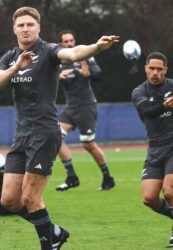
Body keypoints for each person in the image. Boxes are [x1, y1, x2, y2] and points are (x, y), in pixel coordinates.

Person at [0, 6, 119, 250]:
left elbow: (73, 54)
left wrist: (96, 47)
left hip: (44, 133)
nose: (25, 28)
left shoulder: (48, 51)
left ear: (38, 28)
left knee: (31, 198)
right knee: (9, 200)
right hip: (21, 135)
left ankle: (48, 245)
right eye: (21, 25)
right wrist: (16, 68)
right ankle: (53, 232)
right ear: (14, 29)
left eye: (30, 24)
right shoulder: (10, 57)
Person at [131, 52, 173, 248]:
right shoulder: (139, 92)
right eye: (151, 68)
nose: (155, 73)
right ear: (145, 69)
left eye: (159, 69)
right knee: (149, 198)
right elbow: (147, 112)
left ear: (165, 70)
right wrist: (164, 105)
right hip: (155, 149)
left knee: (169, 192)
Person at [55, 30, 115, 191]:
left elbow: (99, 76)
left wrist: (87, 74)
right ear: (61, 44)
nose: (69, 43)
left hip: (86, 106)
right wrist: (58, 78)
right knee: (54, 137)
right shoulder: (60, 61)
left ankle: (108, 177)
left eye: (71, 40)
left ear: (74, 41)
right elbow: (48, 81)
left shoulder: (85, 56)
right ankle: (71, 177)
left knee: (88, 144)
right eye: (65, 41)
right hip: (70, 107)